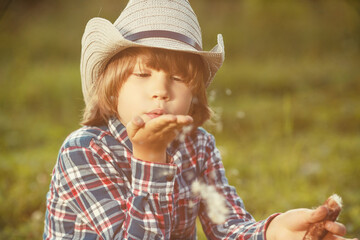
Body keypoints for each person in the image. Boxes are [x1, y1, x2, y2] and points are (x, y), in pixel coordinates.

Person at [43, 0, 356, 239]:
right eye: (142, 74)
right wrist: (151, 158)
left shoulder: (198, 146)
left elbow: (229, 226)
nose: (160, 91)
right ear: (112, 90)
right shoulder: (84, 151)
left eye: (178, 78)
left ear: (194, 95)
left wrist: (275, 231)